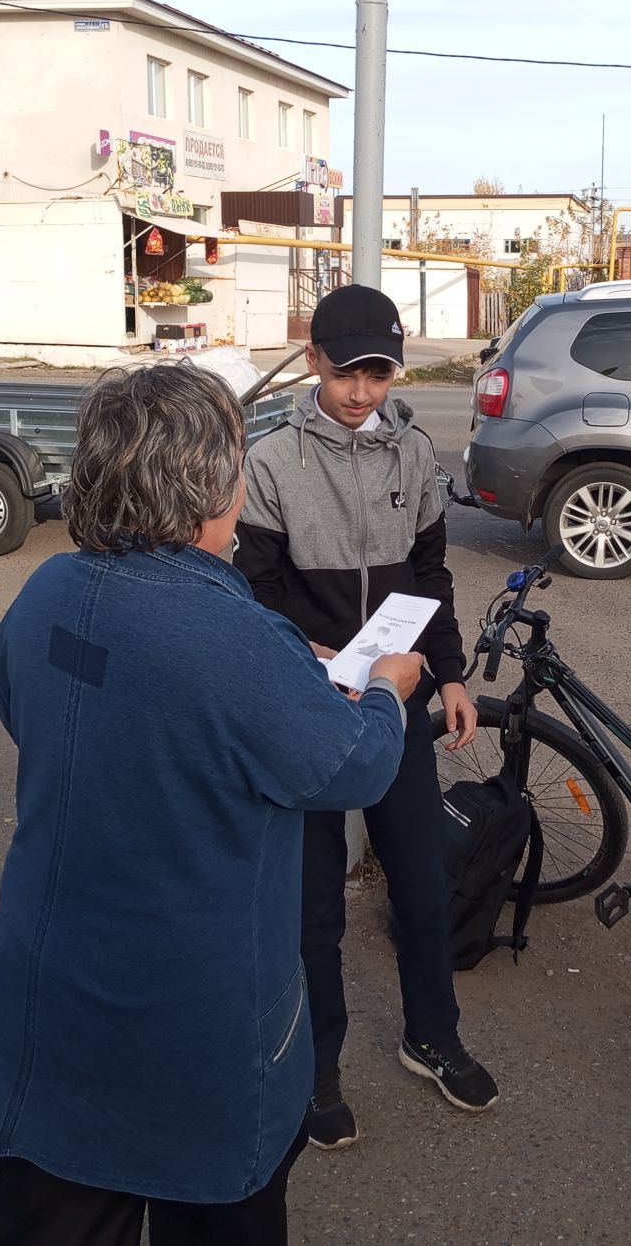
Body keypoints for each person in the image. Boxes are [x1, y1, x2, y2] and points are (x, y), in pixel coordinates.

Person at [0, 364, 420, 1246]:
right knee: (216, 1206)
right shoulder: (233, 636)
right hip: (190, 1021)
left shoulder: (45, 594)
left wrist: (280, 674)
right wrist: (387, 690)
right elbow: (352, 768)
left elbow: (43, 712)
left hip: (54, 995)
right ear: (213, 486)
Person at [236, 283, 499, 1150]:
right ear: (313, 363)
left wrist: (451, 675)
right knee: (313, 905)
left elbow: (432, 578)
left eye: (379, 373)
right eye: (348, 372)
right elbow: (258, 594)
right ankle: (315, 1068)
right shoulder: (270, 464)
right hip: (308, 708)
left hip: (396, 703)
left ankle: (434, 1035)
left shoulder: (416, 456)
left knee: (423, 882)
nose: (362, 391)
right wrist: (302, 661)